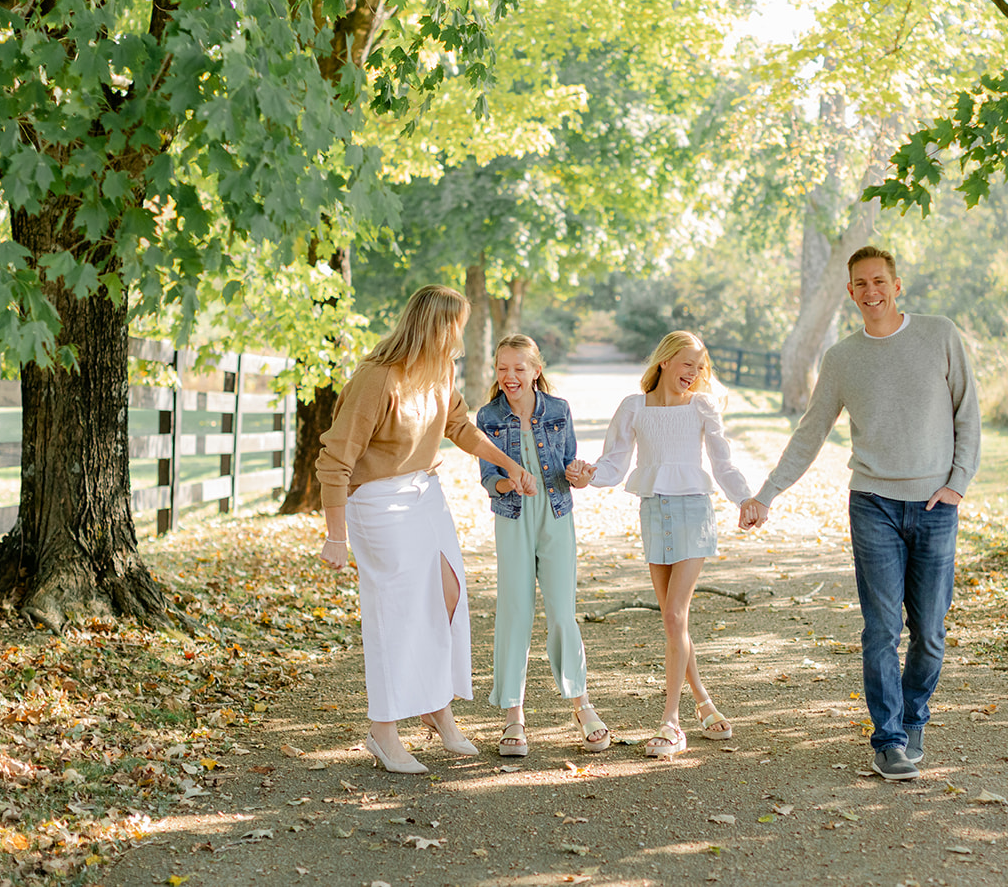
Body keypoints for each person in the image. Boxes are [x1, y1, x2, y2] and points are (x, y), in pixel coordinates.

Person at [739, 246, 979, 782]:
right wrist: (766, 493)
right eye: (860, 285)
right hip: (872, 504)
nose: (871, 292)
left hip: (936, 504)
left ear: (897, 286)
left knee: (931, 633)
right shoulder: (843, 358)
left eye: (879, 281)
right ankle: (889, 739)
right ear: (850, 293)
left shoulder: (939, 335)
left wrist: (957, 485)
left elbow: (968, 414)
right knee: (881, 629)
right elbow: (811, 433)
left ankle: (915, 715)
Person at [316, 285, 538, 775]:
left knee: (449, 595)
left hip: (424, 493)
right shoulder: (377, 379)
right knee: (396, 614)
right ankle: (383, 730)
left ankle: (436, 707)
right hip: (377, 501)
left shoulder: (440, 370)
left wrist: (511, 464)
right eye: (455, 326)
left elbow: (461, 428)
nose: (459, 337)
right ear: (437, 326)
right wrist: (336, 535)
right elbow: (334, 462)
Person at [577, 331, 752, 759]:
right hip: (654, 512)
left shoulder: (702, 407)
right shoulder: (634, 407)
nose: (692, 374)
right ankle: (704, 702)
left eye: (699, 366)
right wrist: (588, 475)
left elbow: (722, 461)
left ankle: (671, 723)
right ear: (665, 362)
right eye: (686, 364)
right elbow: (615, 462)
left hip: (694, 511)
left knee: (675, 614)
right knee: (674, 623)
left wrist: (746, 497)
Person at [474, 335, 611, 756]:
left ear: (536, 370)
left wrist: (579, 473)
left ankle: (581, 705)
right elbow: (487, 479)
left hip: (556, 514)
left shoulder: (559, 409)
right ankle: (514, 716)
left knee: (561, 613)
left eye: (518, 368)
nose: (509, 376)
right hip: (513, 517)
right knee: (514, 611)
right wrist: (507, 480)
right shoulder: (488, 416)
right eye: (502, 368)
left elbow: (570, 464)